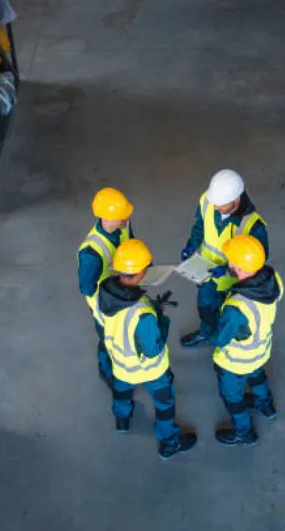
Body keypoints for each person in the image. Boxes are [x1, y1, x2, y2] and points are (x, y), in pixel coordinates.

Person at [96, 239, 198, 460]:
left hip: (121, 366)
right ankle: (169, 443)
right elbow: (153, 348)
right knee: (165, 404)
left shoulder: (106, 294)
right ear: (141, 272)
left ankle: (122, 420)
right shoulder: (143, 314)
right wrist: (160, 317)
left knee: (121, 393)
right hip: (151, 371)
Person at [203, 235, 283, 446]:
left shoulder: (237, 308)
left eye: (229, 260)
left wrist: (209, 319)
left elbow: (218, 338)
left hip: (235, 363)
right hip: (260, 352)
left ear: (236, 266)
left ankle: (244, 432)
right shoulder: (273, 280)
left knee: (232, 397)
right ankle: (266, 406)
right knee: (257, 378)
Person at [179, 169, 269, 348]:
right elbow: (200, 225)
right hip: (207, 275)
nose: (216, 207)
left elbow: (258, 260)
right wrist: (192, 244)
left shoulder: (252, 225)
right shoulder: (208, 200)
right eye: (215, 203)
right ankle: (206, 333)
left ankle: (227, 343)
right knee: (205, 307)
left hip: (235, 284)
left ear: (237, 200)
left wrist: (227, 270)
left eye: (222, 205)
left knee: (230, 316)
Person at [78, 188, 134, 388]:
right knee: (108, 340)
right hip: (105, 305)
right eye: (122, 216)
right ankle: (106, 371)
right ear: (107, 218)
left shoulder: (123, 225)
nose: (126, 219)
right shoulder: (91, 253)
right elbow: (87, 289)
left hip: (124, 293)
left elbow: (131, 246)